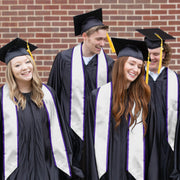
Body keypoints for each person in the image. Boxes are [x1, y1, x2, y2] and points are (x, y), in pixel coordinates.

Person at [0, 38, 83, 180]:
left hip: (47, 168)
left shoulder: (48, 94)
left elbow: (61, 132)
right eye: (18, 65)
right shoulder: (3, 98)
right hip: (17, 171)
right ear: (11, 71)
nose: (25, 68)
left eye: (27, 62)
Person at [84, 38, 159, 180]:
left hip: (133, 174)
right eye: (131, 64)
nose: (135, 70)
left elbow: (152, 144)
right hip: (105, 172)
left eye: (139, 66)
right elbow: (89, 141)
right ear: (120, 64)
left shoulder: (144, 101)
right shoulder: (97, 97)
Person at [47, 8, 114, 141]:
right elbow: (53, 93)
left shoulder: (109, 64)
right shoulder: (64, 59)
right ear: (85, 36)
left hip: (98, 132)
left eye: (104, 39)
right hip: (67, 130)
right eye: (98, 39)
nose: (102, 44)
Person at [136, 28, 179, 180]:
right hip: (141, 141)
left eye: (156, 54)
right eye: (148, 54)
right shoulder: (136, 80)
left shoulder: (176, 80)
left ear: (164, 54)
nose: (152, 57)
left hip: (168, 142)